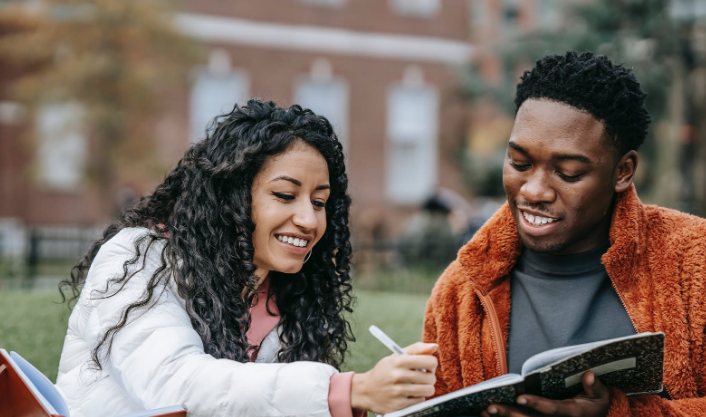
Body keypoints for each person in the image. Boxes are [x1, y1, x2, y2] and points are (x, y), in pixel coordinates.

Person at [422, 52, 706, 416]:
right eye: (519, 162)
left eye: (568, 172)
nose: (534, 190)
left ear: (623, 172)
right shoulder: (462, 290)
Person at [57, 100, 438, 417]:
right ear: (231, 198)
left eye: (319, 202)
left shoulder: (288, 297)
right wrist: (349, 390)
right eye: (285, 196)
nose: (308, 219)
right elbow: (173, 386)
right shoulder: (139, 258)